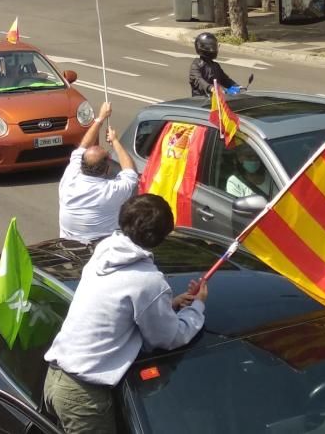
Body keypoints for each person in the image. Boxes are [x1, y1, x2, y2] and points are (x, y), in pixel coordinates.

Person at [44, 193, 208, 434]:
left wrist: (167, 304)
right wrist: (198, 307)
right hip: (83, 397)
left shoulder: (106, 251)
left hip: (57, 379)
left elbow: (116, 308)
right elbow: (170, 338)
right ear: (159, 238)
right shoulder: (148, 282)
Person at [58, 101, 139, 243]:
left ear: (82, 165)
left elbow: (83, 146)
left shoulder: (70, 179)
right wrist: (114, 141)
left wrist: (100, 118)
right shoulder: (111, 191)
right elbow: (130, 170)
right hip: (101, 249)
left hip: (69, 247)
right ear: (107, 168)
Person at [189, 32, 238, 97]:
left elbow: (225, 80)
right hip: (201, 102)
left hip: (216, 100)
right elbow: (199, 81)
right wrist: (211, 88)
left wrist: (237, 86)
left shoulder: (215, 66)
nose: (216, 49)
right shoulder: (196, 65)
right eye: (214, 46)